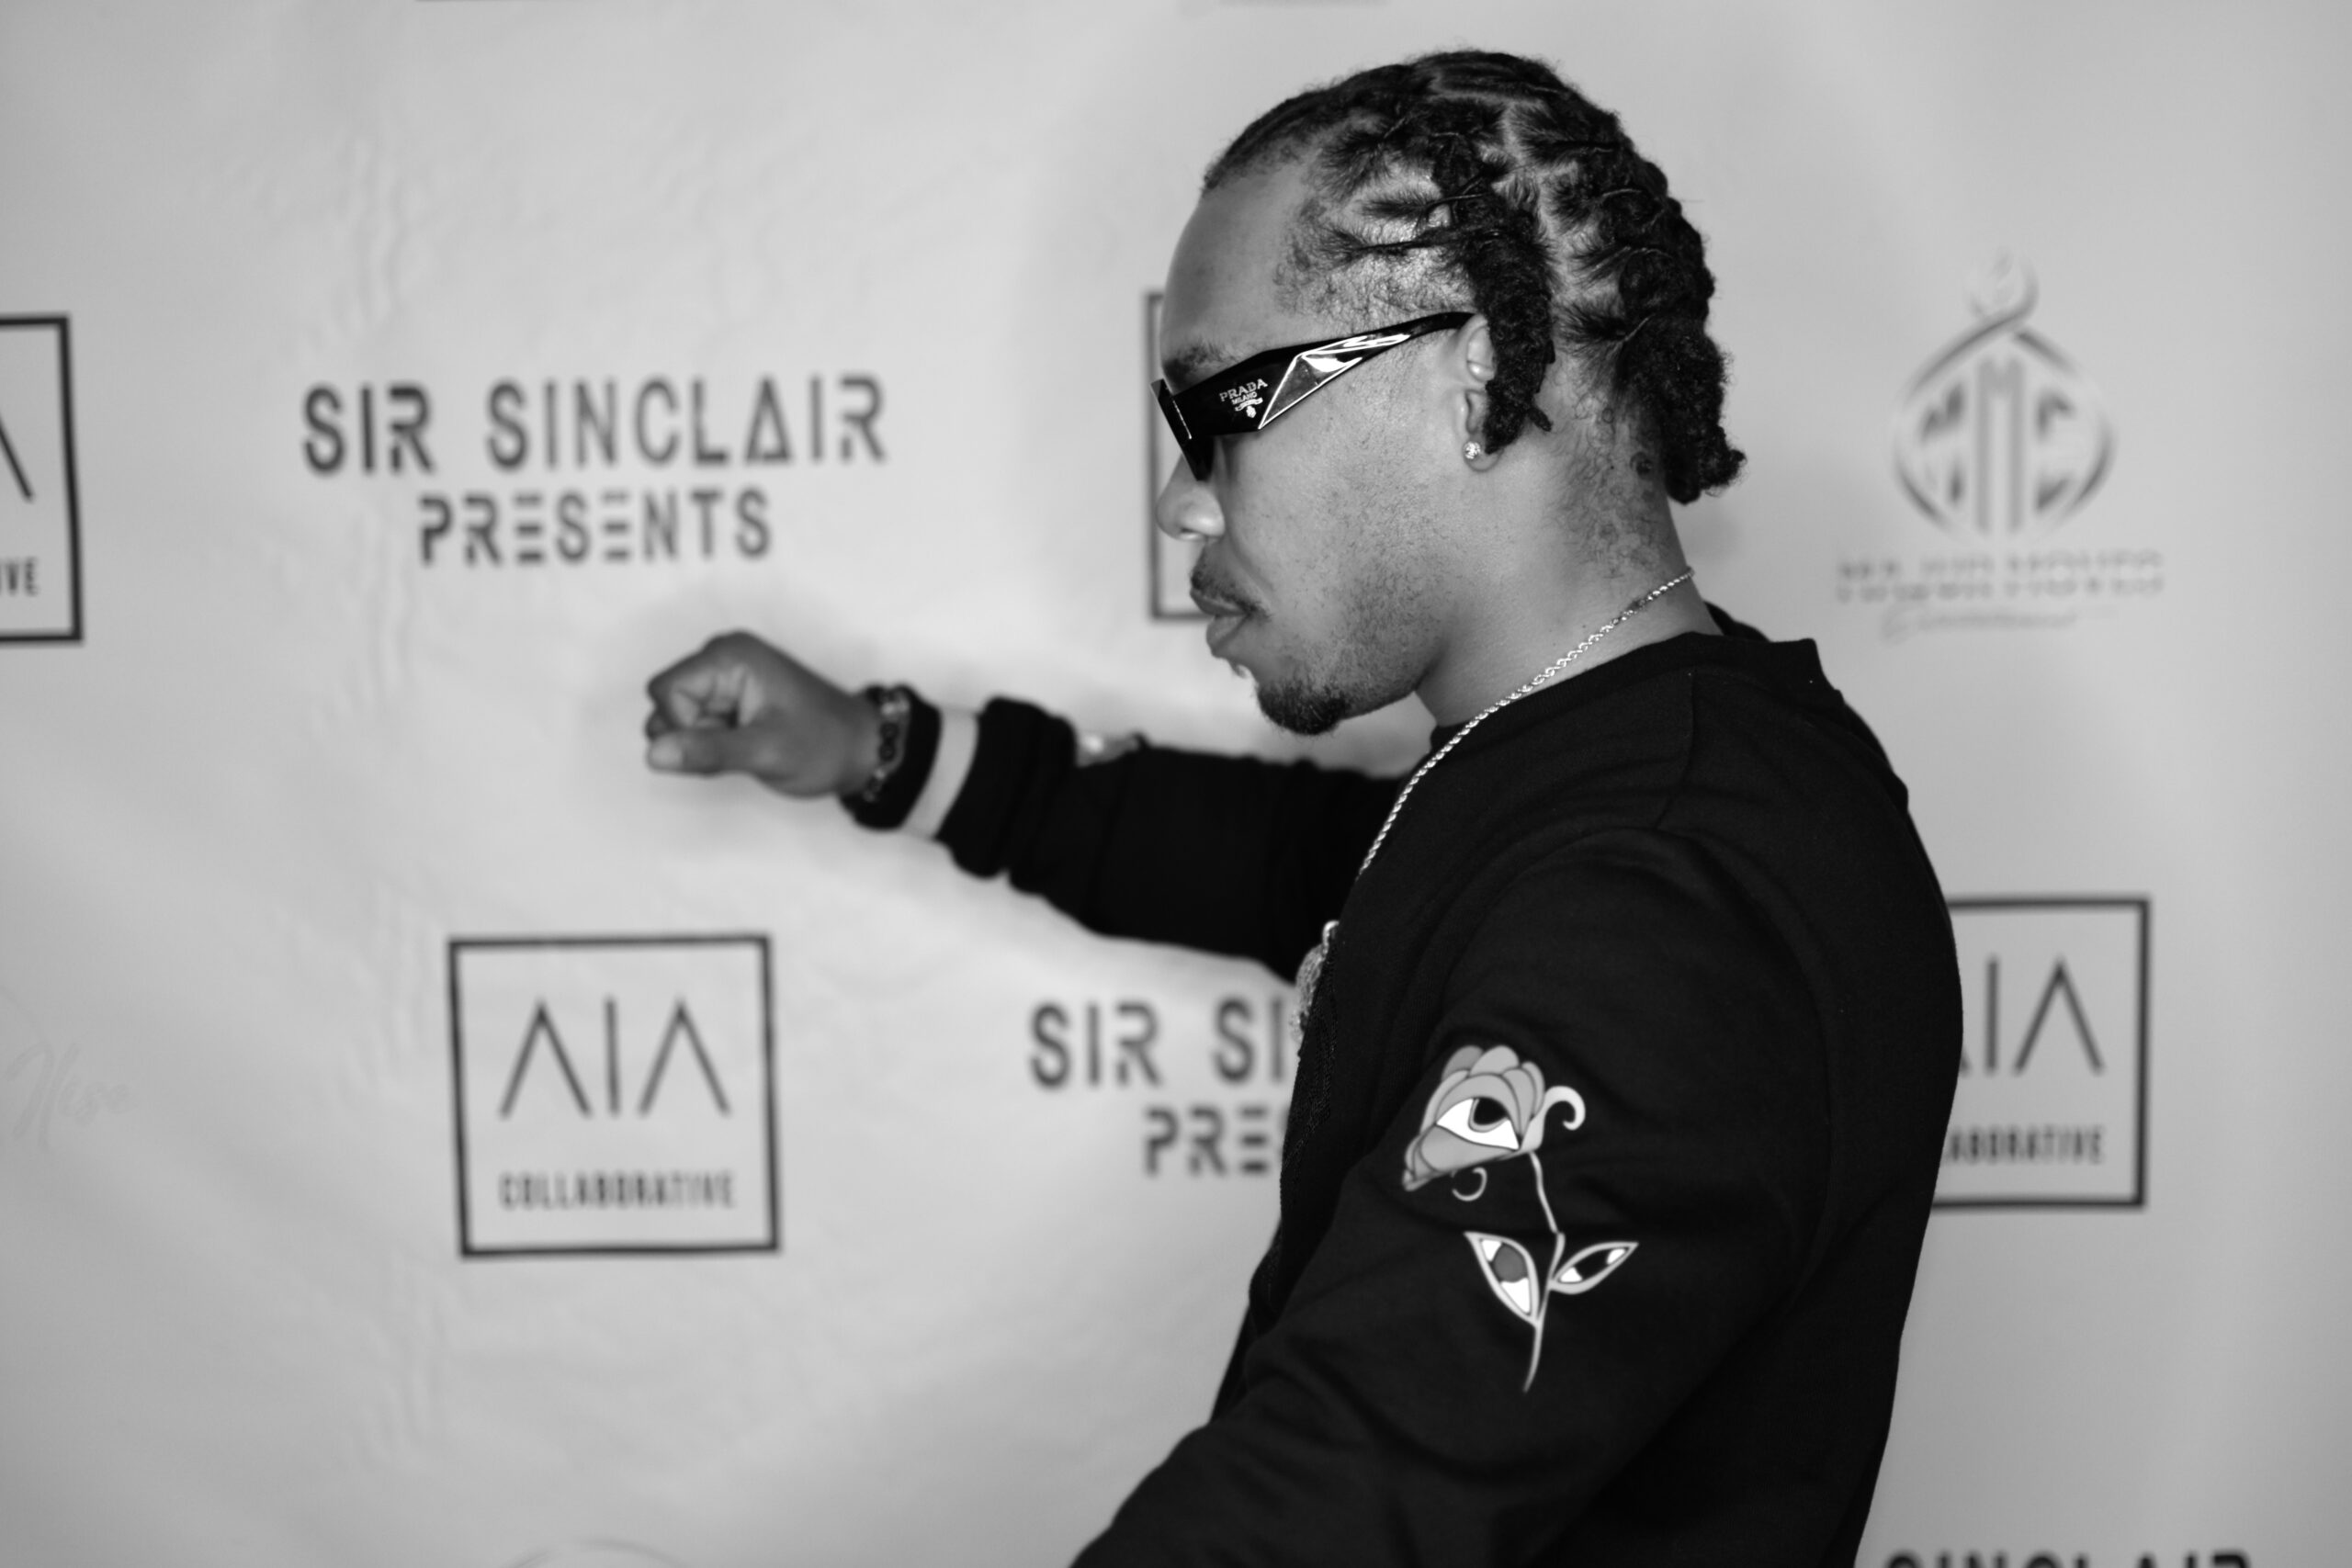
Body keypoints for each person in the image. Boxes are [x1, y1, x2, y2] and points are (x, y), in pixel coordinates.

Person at [643, 51, 1960, 1566]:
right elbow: (1286, 863)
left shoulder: (1671, 898)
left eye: (1221, 408)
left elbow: (1334, 1504)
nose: (1181, 500)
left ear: (1475, 379)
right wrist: (875, 748)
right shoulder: (1586, 777)